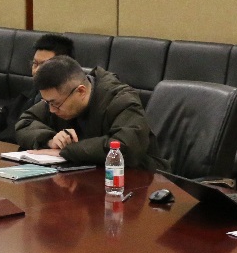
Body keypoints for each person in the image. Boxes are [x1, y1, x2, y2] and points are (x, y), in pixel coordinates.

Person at [14, 55, 169, 171]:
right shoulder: (58, 99)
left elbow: (125, 147)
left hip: (139, 179)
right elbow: (25, 122)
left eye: (55, 104)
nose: (51, 110)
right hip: (87, 177)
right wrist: (50, 140)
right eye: (47, 103)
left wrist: (66, 151)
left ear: (81, 91)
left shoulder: (121, 99)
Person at [0, 33, 75, 143]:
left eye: (44, 65)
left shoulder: (65, 108)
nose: (36, 70)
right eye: (35, 64)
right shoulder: (27, 97)